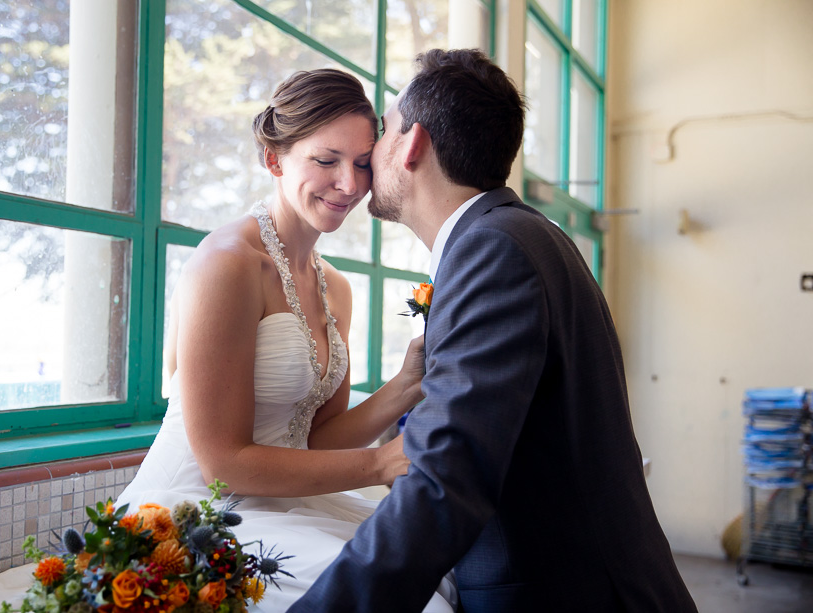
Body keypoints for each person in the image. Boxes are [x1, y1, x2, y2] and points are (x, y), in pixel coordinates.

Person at [289, 49, 698, 612]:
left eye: (383, 132)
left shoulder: (493, 250)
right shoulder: (520, 235)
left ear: (412, 145)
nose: (366, 160)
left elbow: (445, 480)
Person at [115, 68, 457, 612]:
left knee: (430, 569)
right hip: (197, 514)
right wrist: (383, 463)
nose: (350, 184)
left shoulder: (337, 289)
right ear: (274, 160)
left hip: (280, 500)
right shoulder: (227, 265)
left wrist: (409, 382)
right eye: (326, 160)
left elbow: (316, 441)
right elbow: (222, 466)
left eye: (364, 163)